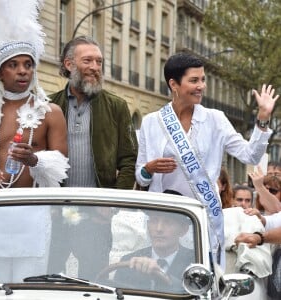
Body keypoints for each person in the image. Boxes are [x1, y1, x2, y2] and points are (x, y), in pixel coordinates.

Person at [135, 52, 279, 269]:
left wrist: (263, 118)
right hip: (164, 217)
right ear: (174, 84)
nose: (201, 86)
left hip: (203, 215)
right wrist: (148, 169)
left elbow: (250, 155)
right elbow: (141, 177)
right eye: (194, 80)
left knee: (201, 275)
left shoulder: (215, 119)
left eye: (203, 80)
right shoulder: (151, 122)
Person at [0, 0, 69, 282]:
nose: (23, 71)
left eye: (28, 65)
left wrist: (34, 159)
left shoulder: (50, 113)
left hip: (33, 215)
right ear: (0, 72)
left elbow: (62, 167)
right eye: (14, 65)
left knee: (26, 289)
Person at [49, 35, 138, 189]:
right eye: (87, 60)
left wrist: (113, 202)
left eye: (99, 62)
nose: (95, 67)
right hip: (56, 203)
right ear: (69, 64)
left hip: (100, 206)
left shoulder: (117, 106)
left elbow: (130, 161)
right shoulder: (48, 105)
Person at [114, 210, 194, 292]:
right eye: (154, 221)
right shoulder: (128, 261)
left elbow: (196, 292)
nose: (159, 229)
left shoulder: (194, 262)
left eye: (168, 222)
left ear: (184, 230)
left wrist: (163, 275)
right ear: (148, 225)